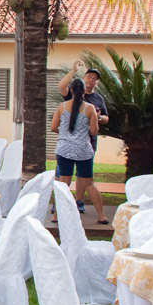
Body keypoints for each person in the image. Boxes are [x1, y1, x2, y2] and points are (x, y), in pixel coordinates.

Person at [51, 78, 108, 224]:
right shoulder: (90, 108)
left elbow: (53, 127)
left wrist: (65, 135)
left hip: (64, 149)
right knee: (89, 183)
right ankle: (101, 216)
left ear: (71, 90)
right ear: (83, 91)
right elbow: (94, 131)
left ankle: (56, 216)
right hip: (83, 150)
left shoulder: (62, 106)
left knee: (63, 184)